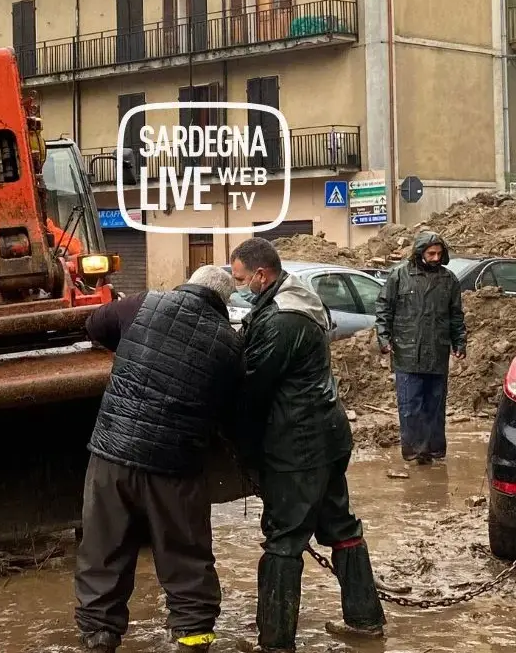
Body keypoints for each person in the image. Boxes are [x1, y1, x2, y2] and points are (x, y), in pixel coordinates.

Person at [74, 266, 244, 652]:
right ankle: (193, 634)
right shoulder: (230, 345)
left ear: (189, 284)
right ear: (223, 302)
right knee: (184, 550)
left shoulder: (142, 304)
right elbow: (229, 410)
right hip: (175, 468)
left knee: (104, 546)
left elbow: (94, 324)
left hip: (112, 457)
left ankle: (100, 635)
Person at [229, 238, 384, 650]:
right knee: (340, 525)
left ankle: (275, 639)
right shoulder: (300, 300)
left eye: (241, 279)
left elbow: (253, 388)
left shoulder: (282, 320)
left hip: (296, 443)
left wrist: (244, 447)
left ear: (262, 275)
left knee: (285, 537)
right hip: (328, 436)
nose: (238, 286)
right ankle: (365, 619)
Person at [375, 232, 466, 465]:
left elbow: (456, 316)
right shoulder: (399, 276)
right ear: (420, 253)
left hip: (437, 350)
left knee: (435, 404)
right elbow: (384, 308)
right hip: (407, 351)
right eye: (431, 253)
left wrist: (459, 342)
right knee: (410, 405)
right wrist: (384, 338)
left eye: (439, 254)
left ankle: (433, 449)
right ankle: (415, 450)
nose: (435, 258)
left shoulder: (449, 281)